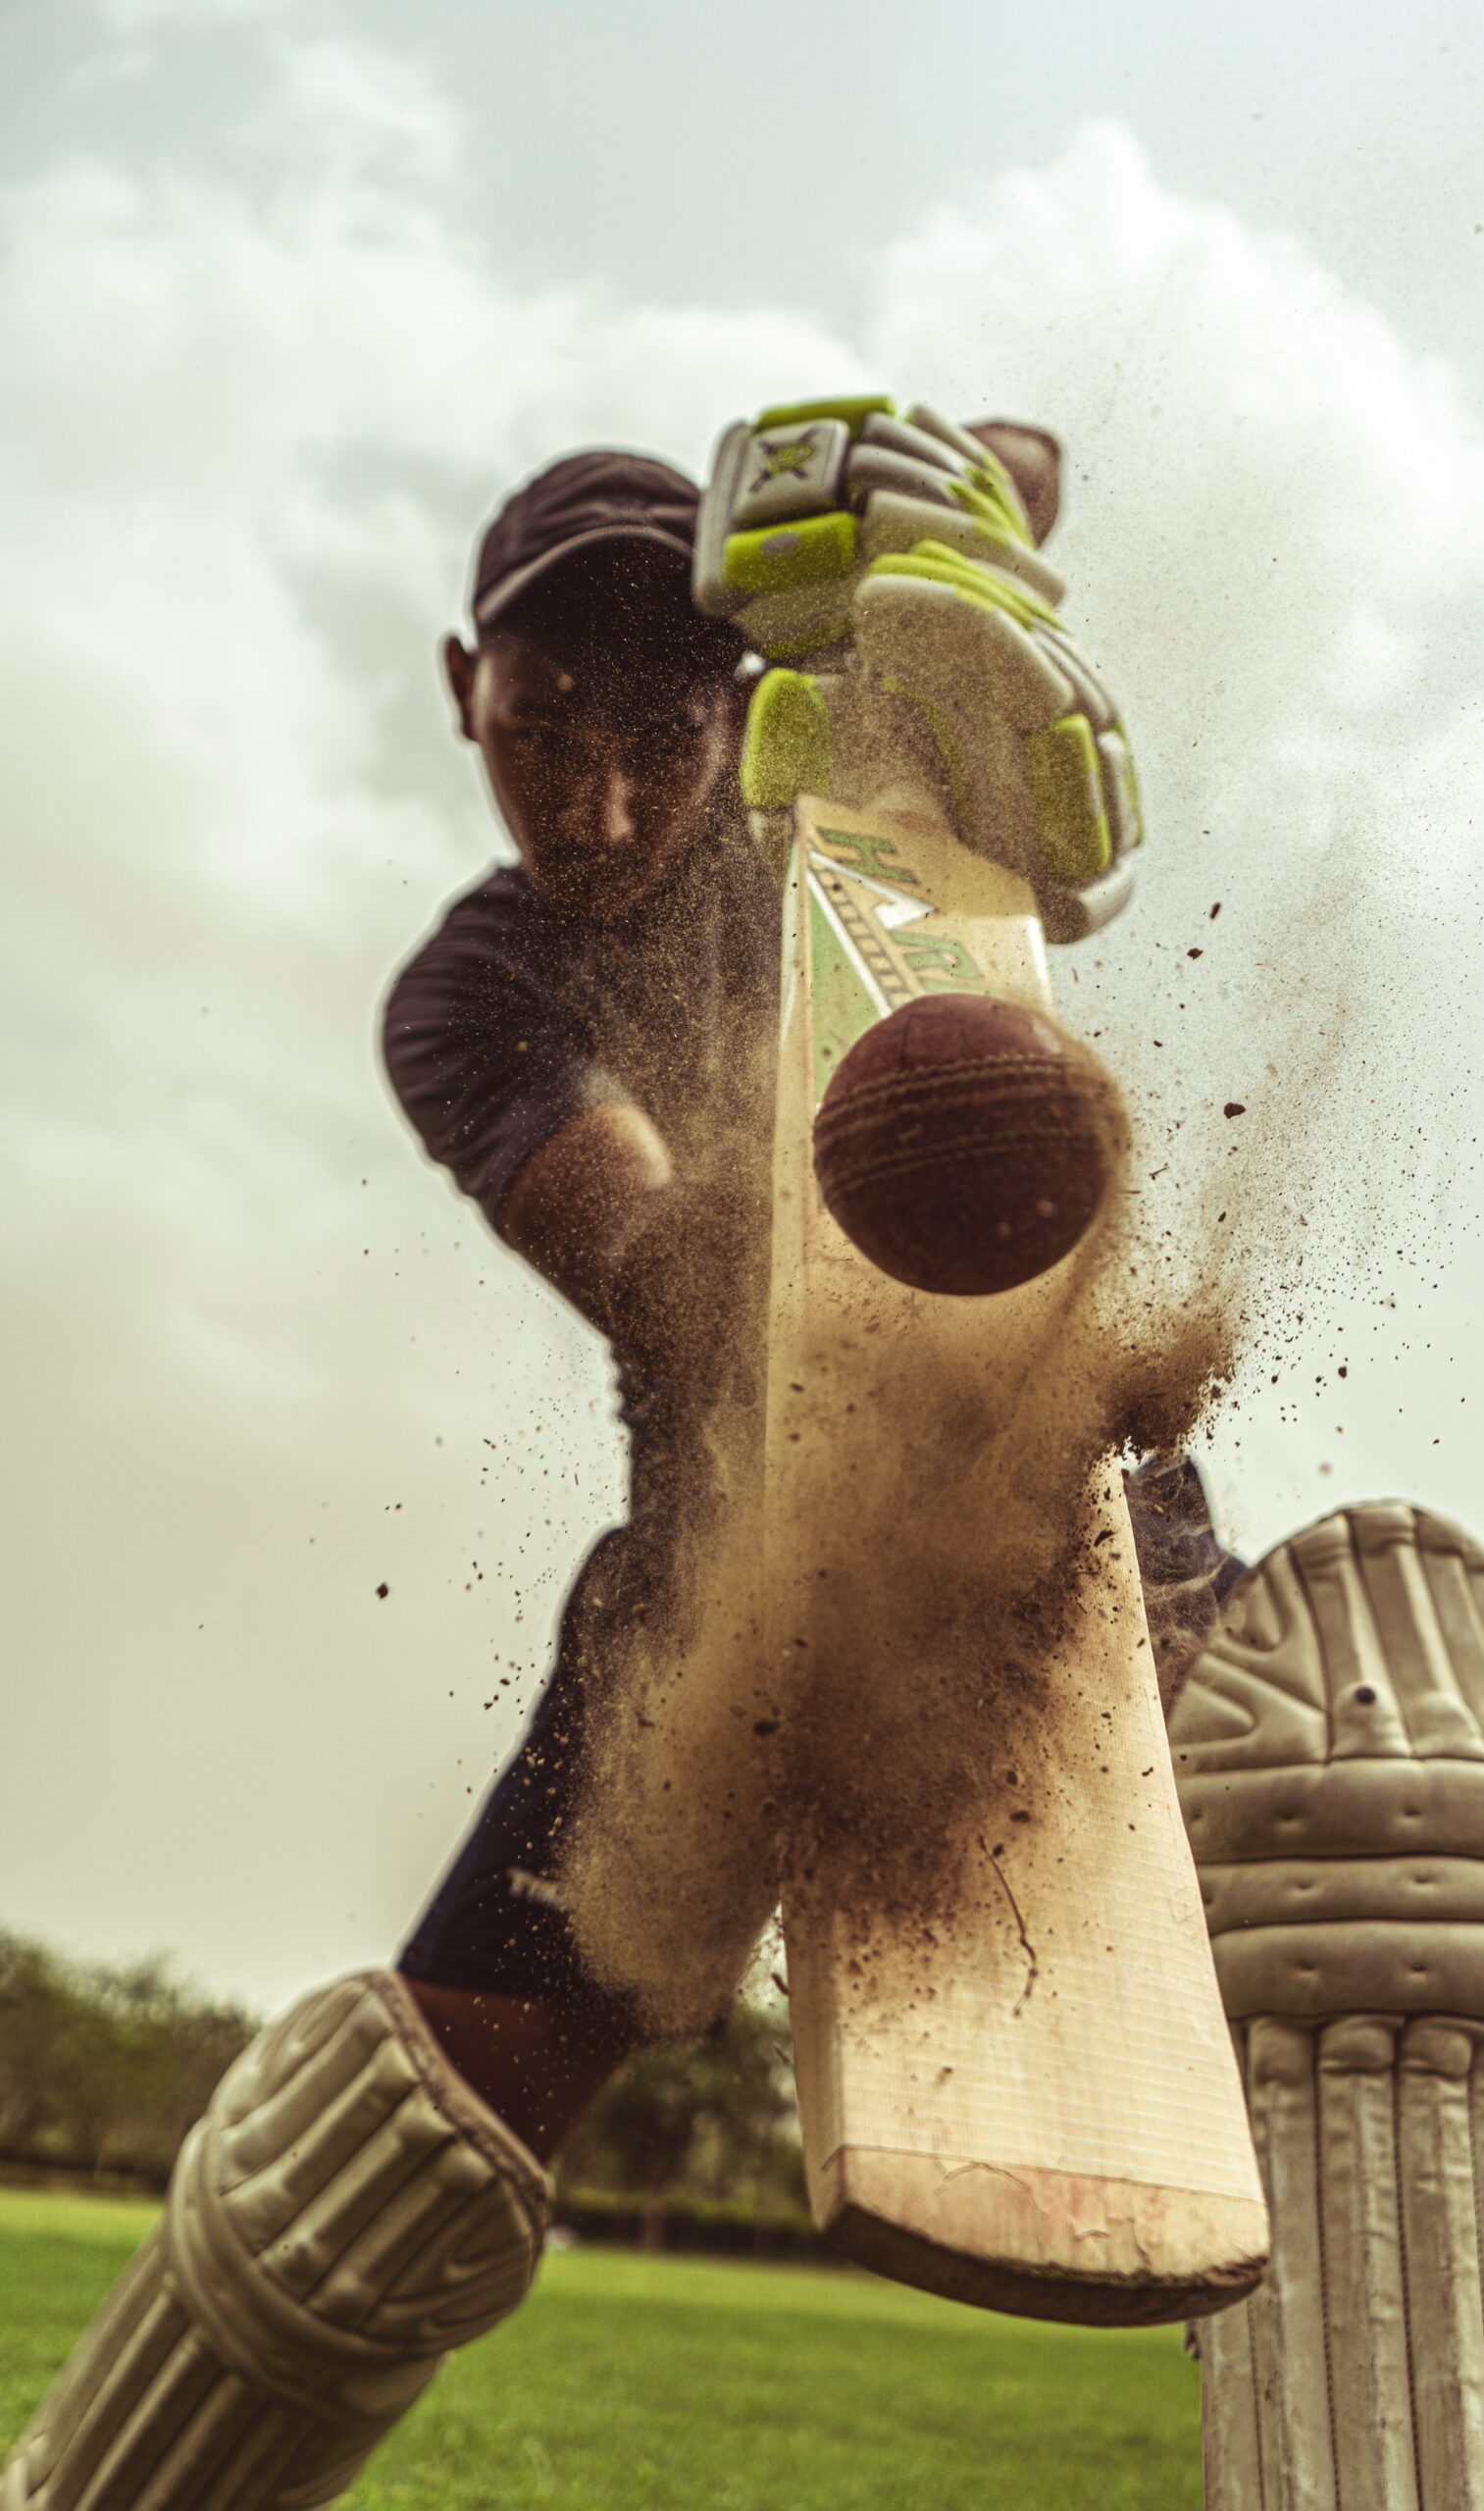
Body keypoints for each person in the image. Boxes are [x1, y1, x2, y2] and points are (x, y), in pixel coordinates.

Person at [9, 405, 1246, 2508]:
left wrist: (923, 529)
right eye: (534, 723)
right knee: (371, 2169)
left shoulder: (855, 818)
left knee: (1412, 1913)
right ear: (455, 692)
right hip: (721, 1600)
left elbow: (1018, 454)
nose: (591, 794)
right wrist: (888, 1172)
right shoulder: (474, 986)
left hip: (1089, 1541)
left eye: (658, 725)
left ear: (744, 688)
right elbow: (658, 1267)